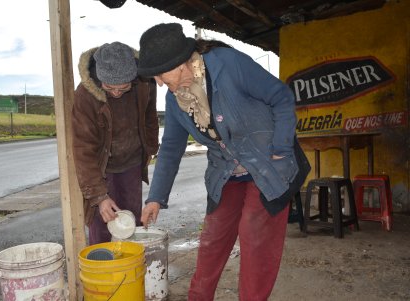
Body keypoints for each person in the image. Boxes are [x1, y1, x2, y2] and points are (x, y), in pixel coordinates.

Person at [137, 23, 309, 300]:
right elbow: (170, 147)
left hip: (267, 164)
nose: (158, 81)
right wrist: (155, 198)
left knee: (254, 237)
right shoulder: (175, 98)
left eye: (159, 73)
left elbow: (281, 97)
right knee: (212, 239)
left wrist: (281, 148)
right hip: (226, 170)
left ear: (181, 63)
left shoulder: (228, 65)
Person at [71, 42, 159, 245]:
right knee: (103, 222)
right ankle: (103, 271)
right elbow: (83, 148)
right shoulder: (85, 95)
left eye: (123, 88)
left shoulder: (146, 82)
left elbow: (149, 116)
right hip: (102, 167)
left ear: (133, 78)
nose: (117, 94)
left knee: (131, 223)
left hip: (132, 161)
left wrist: (151, 148)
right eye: (110, 88)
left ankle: (129, 270)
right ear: (100, 79)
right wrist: (99, 196)